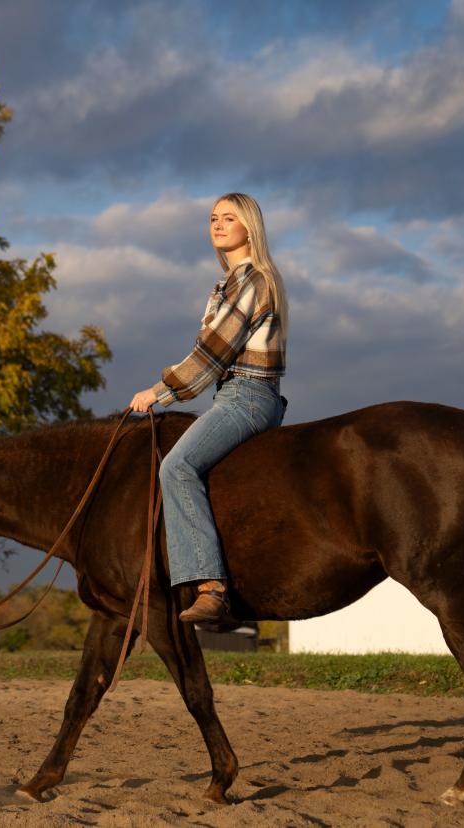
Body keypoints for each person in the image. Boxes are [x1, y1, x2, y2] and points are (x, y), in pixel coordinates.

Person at [128, 192, 289, 624]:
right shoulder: (230, 283)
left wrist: (159, 392)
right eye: (213, 218)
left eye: (228, 218)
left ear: (249, 226)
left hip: (246, 395)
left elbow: (212, 355)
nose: (217, 225)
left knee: (175, 468)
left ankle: (211, 586)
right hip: (234, 394)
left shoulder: (252, 280)